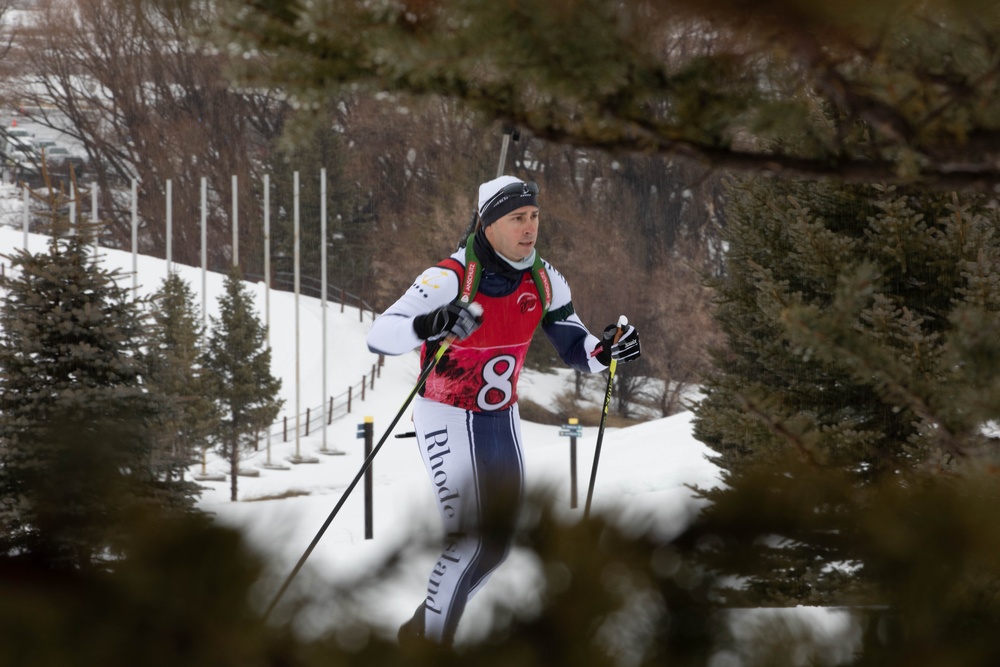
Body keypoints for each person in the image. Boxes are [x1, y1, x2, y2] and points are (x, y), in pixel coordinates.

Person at [366, 175, 641, 646]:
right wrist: (431, 321)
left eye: (534, 216)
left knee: (496, 547)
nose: (530, 227)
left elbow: (577, 346)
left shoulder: (545, 278)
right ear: (488, 223)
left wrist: (609, 350)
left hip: (500, 418)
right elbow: (381, 334)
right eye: (517, 218)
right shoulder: (449, 278)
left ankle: (418, 634)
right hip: (447, 414)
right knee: (470, 541)